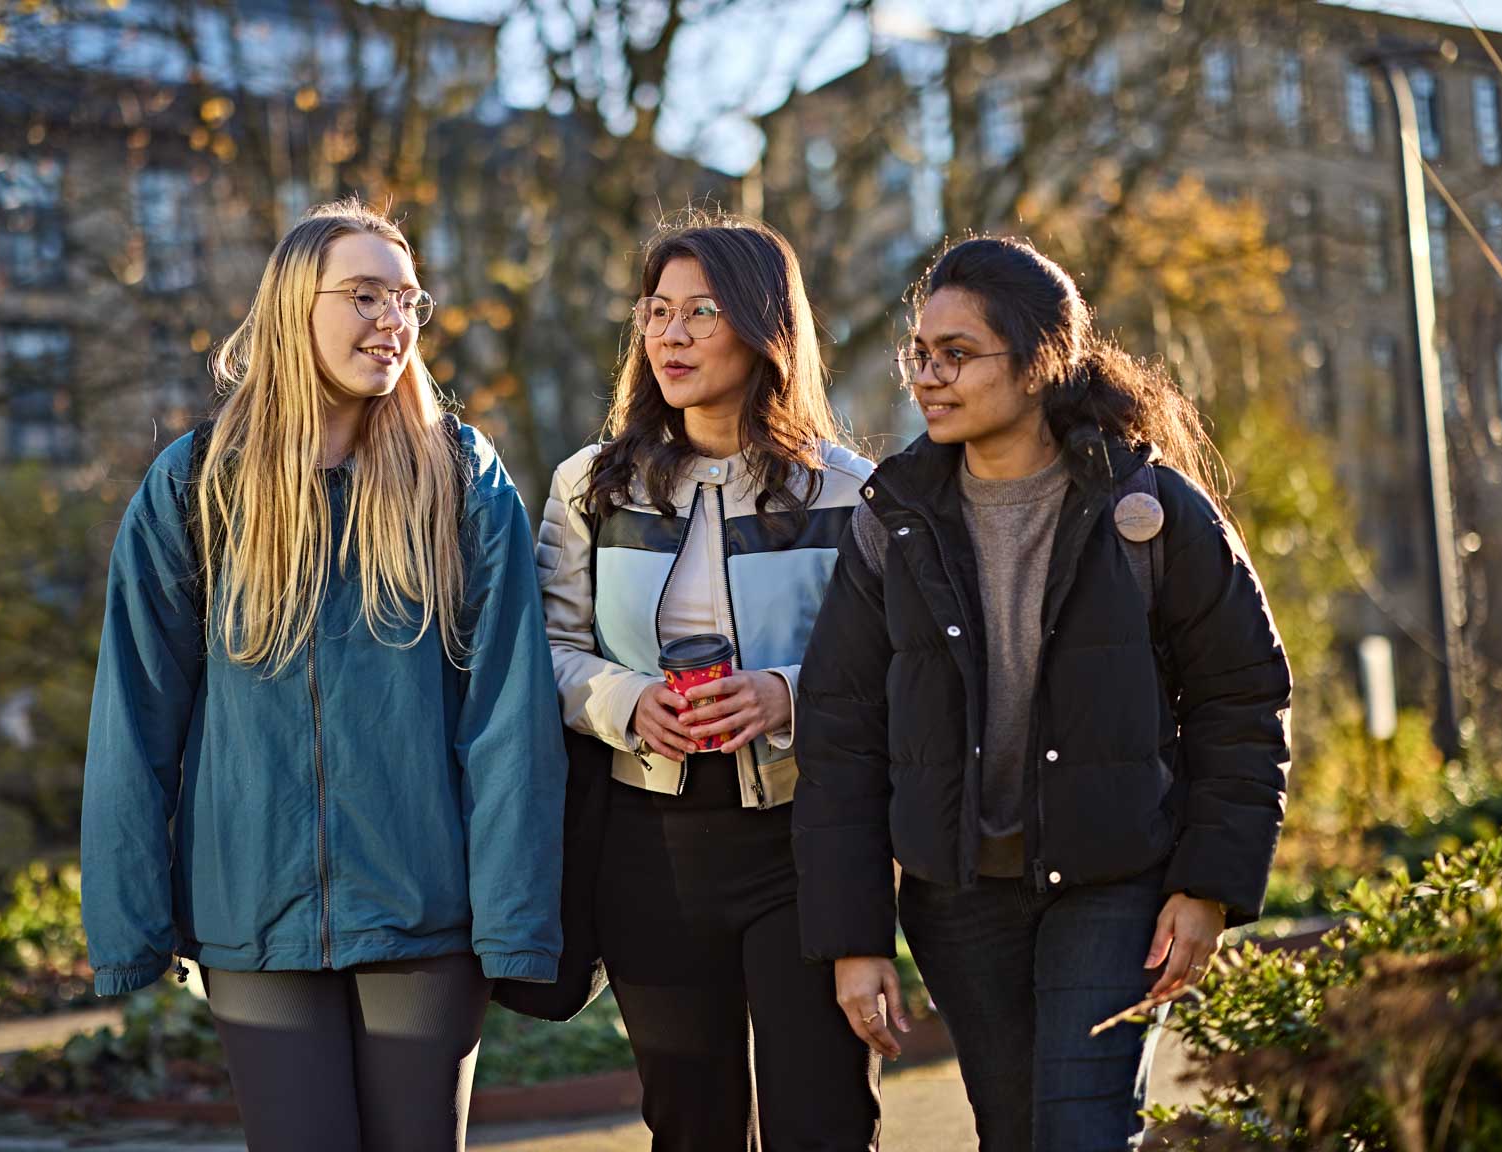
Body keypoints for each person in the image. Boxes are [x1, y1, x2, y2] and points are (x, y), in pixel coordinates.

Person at [80, 200, 564, 1152]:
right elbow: (133, 718)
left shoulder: (459, 480)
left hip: (428, 915)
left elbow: (510, 717)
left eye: (409, 300)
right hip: (254, 914)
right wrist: (129, 922)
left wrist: (511, 923)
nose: (395, 321)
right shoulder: (196, 485)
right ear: (295, 305)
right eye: (366, 295)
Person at [794, 235, 1292, 1150]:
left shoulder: (1151, 509)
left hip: (1113, 879)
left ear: (1038, 365)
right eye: (921, 354)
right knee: (1015, 1131)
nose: (928, 378)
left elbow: (1242, 697)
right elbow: (841, 734)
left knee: (1081, 1129)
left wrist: (1208, 885)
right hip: (958, 899)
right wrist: (855, 936)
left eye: (957, 355)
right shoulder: (892, 521)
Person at [536, 214, 882, 1150]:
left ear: (766, 328)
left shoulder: (853, 494)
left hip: (804, 845)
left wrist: (786, 695)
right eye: (657, 311)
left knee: (824, 1118)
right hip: (649, 850)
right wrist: (628, 704)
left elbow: (899, 665)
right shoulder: (588, 487)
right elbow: (551, 654)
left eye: (702, 311)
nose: (672, 336)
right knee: (689, 1125)